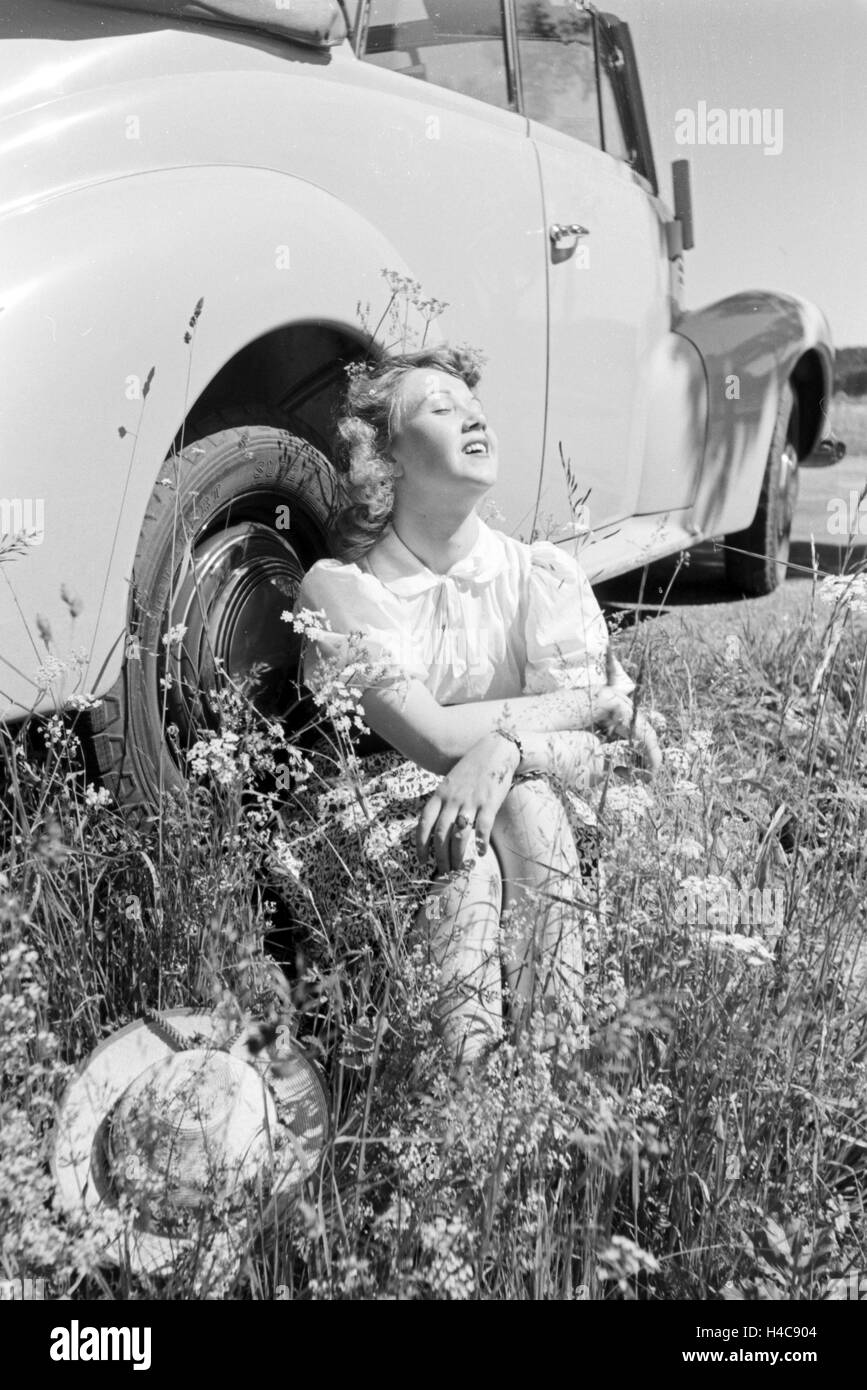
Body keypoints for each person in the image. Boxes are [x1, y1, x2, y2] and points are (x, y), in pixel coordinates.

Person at [282, 345, 661, 1075]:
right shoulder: (343, 591)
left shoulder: (542, 574)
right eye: (439, 407)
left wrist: (509, 748)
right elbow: (434, 738)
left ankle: (549, 1082)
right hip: (384, 806)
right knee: (461, 853)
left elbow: (596, 754)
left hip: (535, 790)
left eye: (474, 404)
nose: (472, 414)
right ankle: (470, 1106)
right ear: (381, 458)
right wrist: (583, 704)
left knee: (527, 808)